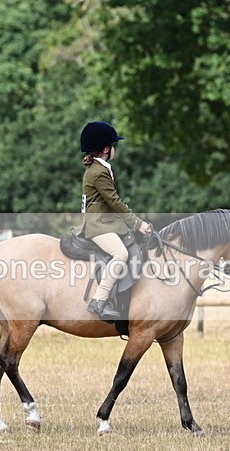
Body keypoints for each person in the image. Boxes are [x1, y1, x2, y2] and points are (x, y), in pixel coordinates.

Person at [78, 121, 152, 322]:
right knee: (121, 253)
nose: (114, 150)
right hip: (98, 224)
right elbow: (114, 202)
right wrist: (138, 224)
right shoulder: (98, 172)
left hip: (105, 221)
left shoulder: (99, 168)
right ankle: (100, 300)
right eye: (113, 146)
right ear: (105, 149)